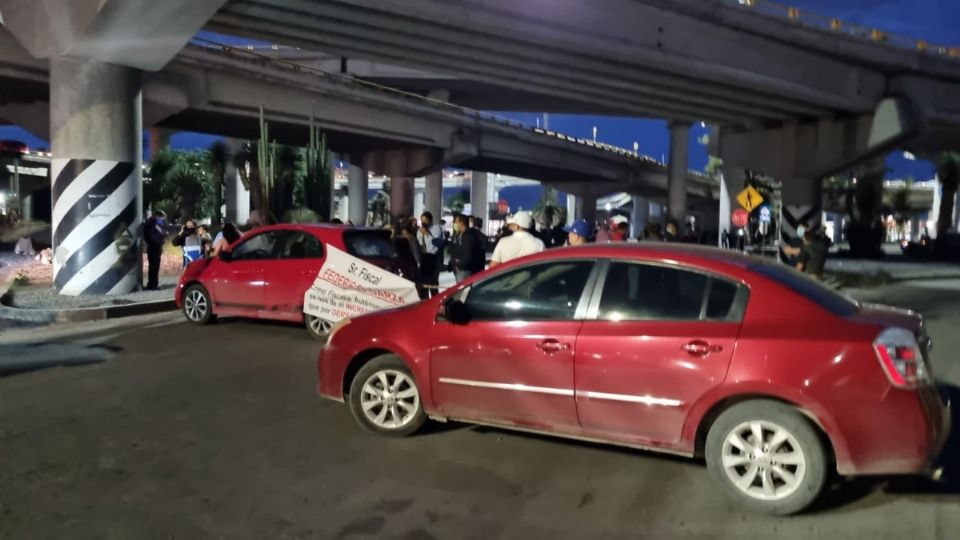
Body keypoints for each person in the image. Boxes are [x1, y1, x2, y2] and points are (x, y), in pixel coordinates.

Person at [449, 214, 487, 282]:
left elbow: (467, 254)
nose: (455, 224)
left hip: (465, 269)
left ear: (462, 223)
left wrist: (459, 265)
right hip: (459, 268)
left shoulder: (469, 236)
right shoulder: (457, 235)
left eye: (456, 222)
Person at [416, 211, 444, 299]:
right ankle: (424, 301)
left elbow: (437, 242)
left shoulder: (436, 228)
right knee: (424, 283)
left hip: (434, 257)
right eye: (422, 220)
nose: (423, 222)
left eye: (425, 220)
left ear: (430, 220)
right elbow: (420, 243)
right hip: (424, 257)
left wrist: (427, 234)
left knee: (433, 283)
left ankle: (435, 301)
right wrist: (421, 234)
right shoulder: (419, 230)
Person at [143, 210, 166, 290]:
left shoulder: (155, 224)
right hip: (153, 247)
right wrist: (160, 239)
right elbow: (150, 236)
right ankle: (153, 284)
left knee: (155, 266)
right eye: (161, 218)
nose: (162, 220)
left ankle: (153, 283)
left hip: (156, 247)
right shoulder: (150, 224)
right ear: (157, 216)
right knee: (153, 266)